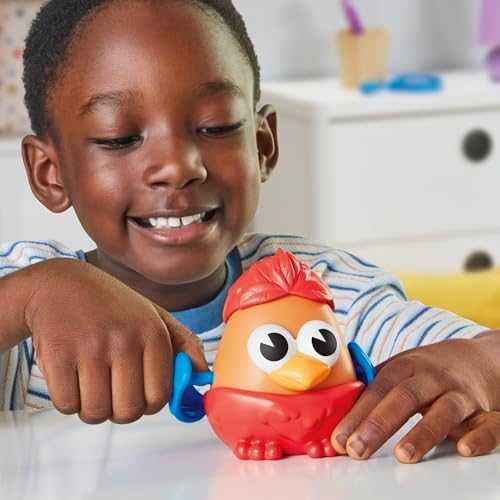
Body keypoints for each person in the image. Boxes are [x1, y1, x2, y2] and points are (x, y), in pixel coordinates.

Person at [0, 0, 499, 464]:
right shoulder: (28, 306)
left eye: (215, 127)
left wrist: (480, 364)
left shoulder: (325, 293)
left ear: (263, 146)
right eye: (120, 137)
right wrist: (29, 296)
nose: (178, 166)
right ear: (50, 173)